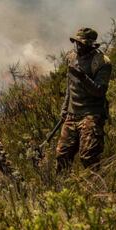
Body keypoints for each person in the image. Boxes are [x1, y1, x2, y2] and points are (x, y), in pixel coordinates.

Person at [57, 27, 112, 173]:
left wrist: (83, 77)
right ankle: (63, 190)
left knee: (89, 156)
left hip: (92, 114)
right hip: (72, 114)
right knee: (62, 155)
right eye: (76, 43)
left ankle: (97, 189)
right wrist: (65, 109)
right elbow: (70, 86)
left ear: (91, 44)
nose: (78, 46)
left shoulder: (102, 62)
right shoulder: (71, 57)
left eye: (82, 43)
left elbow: (99, 91)